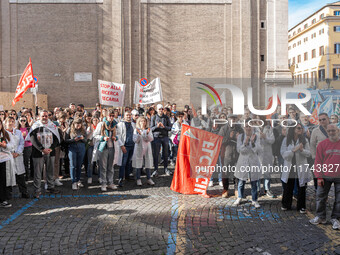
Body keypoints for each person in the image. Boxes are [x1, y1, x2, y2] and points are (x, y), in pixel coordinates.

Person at [309, 124, 340, 230]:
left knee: (339, 199)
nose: (331, 132)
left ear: (338, 131)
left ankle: (336, 218)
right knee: (320, 197)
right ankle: (321, 217)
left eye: (333, 130)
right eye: (329, 131)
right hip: (325, 176)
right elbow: (318, 161)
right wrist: (319, 177)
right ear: (327, 132)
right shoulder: (322, 145)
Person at [280, 123, 311, 213]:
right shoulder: (286, 140)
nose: (300, 130)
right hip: (290, 166)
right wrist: (293, 150)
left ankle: (301, 206)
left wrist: (301, 150)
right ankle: (286, 204)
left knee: (302, 186)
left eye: (301, 128)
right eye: (298, 128)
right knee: (288, 185)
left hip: (301, 166)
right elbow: (283, 154)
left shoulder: (304, 140)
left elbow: (308, 153)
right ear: (293, 129)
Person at [29, 110, 61, 198]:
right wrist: (42, 149)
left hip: (50, 152)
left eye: (46, 116)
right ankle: (37, 190)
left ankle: (50, 187)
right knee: (38, 172)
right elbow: (32, 139)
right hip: (38, 153)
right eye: (43, 116)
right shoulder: (35, 126)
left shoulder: (52, 126)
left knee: (50, 170)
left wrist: (51, 148)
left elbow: (56, 139)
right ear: (39, 117)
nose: (44, 117)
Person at [233, 119, 261, 208]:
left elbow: (257, 150)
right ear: (244, 127)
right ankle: (240, 197)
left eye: (250, 126)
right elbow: (239, 150)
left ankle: (254, 199)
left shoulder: (256, 136)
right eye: (246, 126)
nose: (248, 128)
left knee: (254, 181)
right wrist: (245, 143)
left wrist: (252, 143)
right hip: (243, 161)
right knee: (241, 180)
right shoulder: (241, 137)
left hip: (253, 161)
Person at [218, 114, 243, 198]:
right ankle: (225, 190)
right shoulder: (223, 128)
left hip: (237, 154)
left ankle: (236, 189)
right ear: (228, 119)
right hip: (226, 154)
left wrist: (239, 138)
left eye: (234, 119)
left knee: (237, 173)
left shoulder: (239, 128)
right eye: (231, 119)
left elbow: (244, 139)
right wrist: (229, 137)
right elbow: (219, 141)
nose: (233, 120)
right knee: (225, 173)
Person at [5, 117, 29, 198]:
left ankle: (24, 192)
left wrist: (17, 152)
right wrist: (10, 153)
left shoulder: (18, 132)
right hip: (8, 156)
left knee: (20, 175)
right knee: (8, 176)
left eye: (12, 121)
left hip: (18, 156)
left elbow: (22, 143)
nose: (11, 123)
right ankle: (8, 193)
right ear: (6, 123)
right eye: (9, 122)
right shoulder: (3, 133)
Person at [94, 110, 118, 191]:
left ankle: (110, 182)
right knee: (103, 167)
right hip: (103, 147)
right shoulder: (101, 124)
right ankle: (103, 183)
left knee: (111, 166)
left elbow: (117, 134)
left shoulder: (114, 125)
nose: (111, 117)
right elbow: (95, 135)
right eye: (110, 115)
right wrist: (102, 138)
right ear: (106, 116)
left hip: (112, 147)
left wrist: (116, 137)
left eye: (112, 115)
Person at [150, 104, 172, 177]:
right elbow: (151, 129)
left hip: (165, 137)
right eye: (159, 109)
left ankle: (166, 168)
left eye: (162, 109)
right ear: (157, 110)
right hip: (156, 137)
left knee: (165, 154)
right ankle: (156, 169)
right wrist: (157, 126)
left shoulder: (166, 117)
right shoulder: (153, 117)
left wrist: (164, 126)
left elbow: (170, 128)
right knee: (156, 154)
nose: (161, 110)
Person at [65, 118, 87, 190]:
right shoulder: (69, 130)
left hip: (81, 148)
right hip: (72, 148)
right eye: (76, 124)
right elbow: (65, 140)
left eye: (79, 124)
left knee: (79, 165)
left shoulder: (83, 130)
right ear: (73, 124)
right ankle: (73, 181)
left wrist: (82, 138)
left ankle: (78, 180)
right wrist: (73, 139)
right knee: (73, 165)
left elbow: (86, 140)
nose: (78, 125)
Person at [132, 117, 155, 186]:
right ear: (139, 122)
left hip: (147, 147)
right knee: (138, 163)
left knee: (147, 162)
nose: (143, 122)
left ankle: (149, 178)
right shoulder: (136, 130)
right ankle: (138, 178)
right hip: (139, 147)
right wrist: (139, 134)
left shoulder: (148, 129)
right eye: (141, 121)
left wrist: (147, 134)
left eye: (144, 121)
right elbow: (135, 140)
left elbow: (151, 139)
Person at [116, 111, 135, 187]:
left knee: (128, 162)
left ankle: (127, 176)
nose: (128, 116)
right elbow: (118, 136)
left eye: (130, 115)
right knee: (123, 163)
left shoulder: (133, 124)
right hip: (125, 145)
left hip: (132, 145)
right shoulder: (120, 124)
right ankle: (121, 178)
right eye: (127, 115)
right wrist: (121, 145)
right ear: (124, 116)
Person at [0, 119, 15, 207]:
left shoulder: (7, 134)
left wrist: (5, 146)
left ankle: (4, 199)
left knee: (4, 180)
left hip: (4, 160)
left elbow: (12, 145)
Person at [258, 120, 276, 197]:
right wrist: (259, 137)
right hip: (258, 154)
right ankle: (257, 189)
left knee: (267, 173)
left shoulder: (268, 128)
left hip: (267, 153)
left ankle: (267, 189)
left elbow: (272, 140)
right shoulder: (254, 128)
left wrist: (265, 137)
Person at [18, 116, 32, 181]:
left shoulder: (28, 129)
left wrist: (26, 136)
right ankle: (21, 176)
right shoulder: (17, 129)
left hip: (27, 146)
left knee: (26, 162)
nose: (23, 122)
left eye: (24, 120)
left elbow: (32, 138)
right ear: (19, 121)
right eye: (21, 120)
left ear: (26, 121)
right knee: (20, 162)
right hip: (20, 147)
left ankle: (27, 176)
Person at [86, 115, 99, 184]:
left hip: (98, 146)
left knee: (99, 162)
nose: (95, 121)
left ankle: (100, 177)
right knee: (90, 162)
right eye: (94, 120)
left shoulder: (100, 127)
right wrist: (91, 131)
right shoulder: (89, 128)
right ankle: (89, 177)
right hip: (91, 146)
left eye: (97, 120)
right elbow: (87, 138)